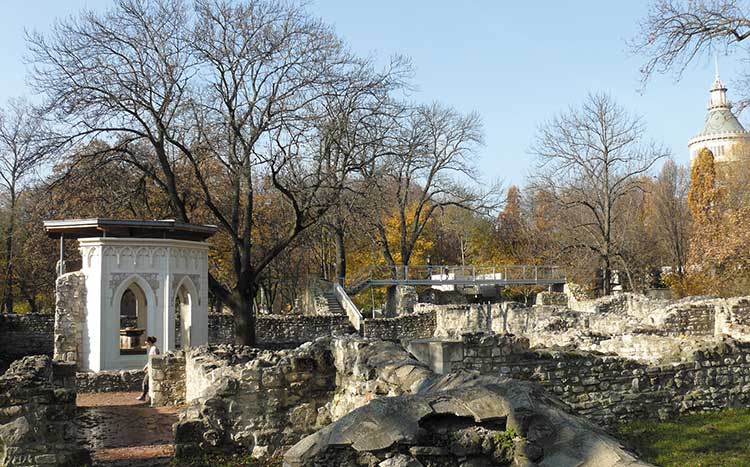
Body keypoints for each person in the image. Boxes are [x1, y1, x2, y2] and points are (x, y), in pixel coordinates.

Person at [137, 336, 160, 401]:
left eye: (146, 342)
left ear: (149, 342)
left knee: (145, 382)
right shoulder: (152, 348)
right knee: (146, 382)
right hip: (150, 368)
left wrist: (147, 367)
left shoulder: (154, 349)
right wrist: (146, 366)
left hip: (152, 369)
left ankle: (143, 396)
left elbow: (154, 359)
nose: (146, 344)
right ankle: (144, 396)